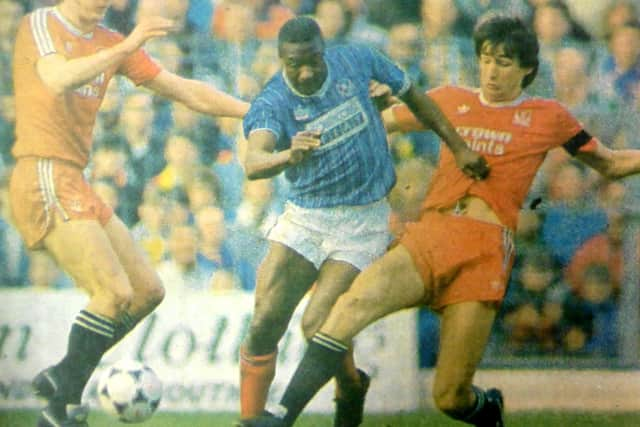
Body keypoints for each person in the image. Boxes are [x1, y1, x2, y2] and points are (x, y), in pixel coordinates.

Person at [249, 14, 640, 427]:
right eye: (487, 59)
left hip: (485, 250)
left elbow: (610, 164)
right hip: (432, 235)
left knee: (450, 397)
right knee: (349, 306)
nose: (492, 70)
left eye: (504, 62)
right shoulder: (451, 100)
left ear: (527, 68)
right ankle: (282, 414)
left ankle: (486, 409)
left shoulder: (549, 115)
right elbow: (378, 124)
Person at [237, 15, 488, 427]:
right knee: (264, 320)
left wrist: (458, 148)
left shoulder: (358, 62)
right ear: (281, 59)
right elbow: (253, 161)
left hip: (362, 220)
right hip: (305, 217)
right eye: (293, 64)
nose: (303, 71)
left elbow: (418, 97)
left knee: (317, 321)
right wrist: (287, 155)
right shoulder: (273, 101)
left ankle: (349, 385)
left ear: (325, 51)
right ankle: (249, 420)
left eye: (312, 61)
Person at [9, 2, 249, 426]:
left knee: (146, 291)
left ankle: (64, 376)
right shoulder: (41, 23)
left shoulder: (111, 41)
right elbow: (57, 77)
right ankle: (61, 407)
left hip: (75, 179)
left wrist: (252, 112)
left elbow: (185, 90)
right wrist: (127, 48)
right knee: (113, 293)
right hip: (41, 170)